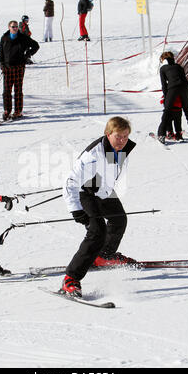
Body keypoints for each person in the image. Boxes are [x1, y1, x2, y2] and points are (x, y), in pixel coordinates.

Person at [60, 117, 137, 297]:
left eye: (126, 136)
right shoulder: (93, 156)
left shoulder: (118, 149)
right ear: (108, 134)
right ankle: (71, 278)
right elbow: (70, 182)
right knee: (97, 232)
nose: (123, 141)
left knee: (119, 220)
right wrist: (77, 210)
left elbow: (110, 170)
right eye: (119, 136)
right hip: (85, 192)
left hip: (101, 188)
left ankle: (103, 256)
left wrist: (103, 187)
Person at [0, 20, 39, 120]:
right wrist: (2, 65)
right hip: (7, 68)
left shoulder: (23, 37)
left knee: (18, 90)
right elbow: (1, 53)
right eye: (13, 27)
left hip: (19, 67)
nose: (15, 28)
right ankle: (7, 110)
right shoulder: (4, 38)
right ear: (9, 27)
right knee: (6, 91)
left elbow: (36, 45)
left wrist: (27, 55)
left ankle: (18, 111)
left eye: (16, 27)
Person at [157, 51, 188, 144]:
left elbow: (164, 85)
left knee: (167, 110)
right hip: (185, 87)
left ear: (163, 59)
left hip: (173, 87)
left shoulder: (163, 68)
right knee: (186, 108)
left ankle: (162, 134)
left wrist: (166, 97)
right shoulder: (179, 66)